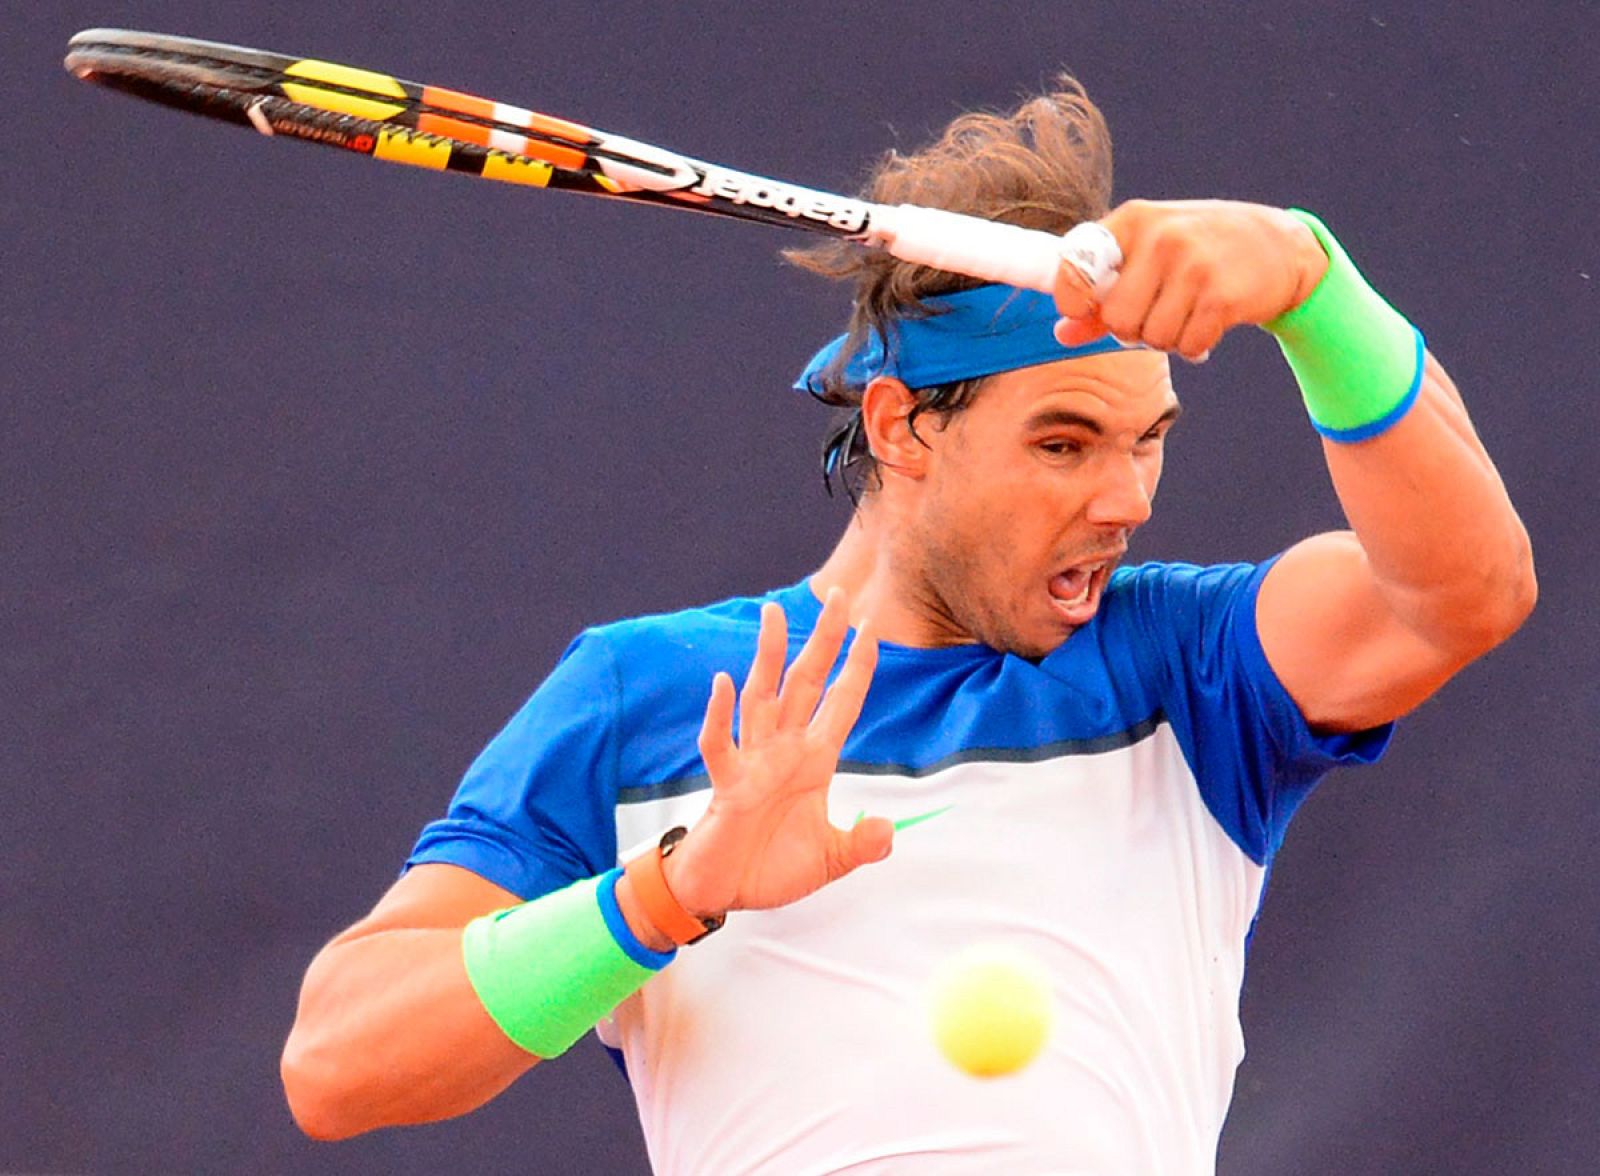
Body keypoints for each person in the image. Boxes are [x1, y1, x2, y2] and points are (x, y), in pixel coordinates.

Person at [279, 77, 1534, 1174]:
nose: (1127, 499)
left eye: (1146, 441)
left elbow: (1466, 593)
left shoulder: (1185, 665)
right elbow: (337, 1063)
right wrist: (670, 894)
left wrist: (1314, 285)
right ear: (899, 428)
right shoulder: (644, 694)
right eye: (1062, 443)